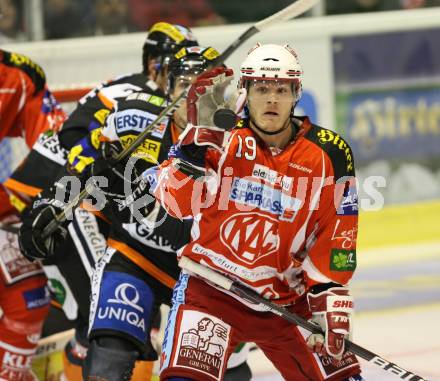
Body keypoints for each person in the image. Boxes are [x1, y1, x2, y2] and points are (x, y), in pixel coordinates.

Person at [19, 46, 252, 381]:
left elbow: (192, 230)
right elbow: (84, 160)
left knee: (222, 372)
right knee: (110, 357)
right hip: (136, 257)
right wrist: (52, 205)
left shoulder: (238, 147)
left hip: (203, 275)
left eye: (204, 90)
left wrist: (132, 197)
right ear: (167, 90)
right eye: (183, 85)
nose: (191, 98)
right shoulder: (134, 118)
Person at [147, 43, 364, 381]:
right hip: (211, 291)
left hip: (288, 300)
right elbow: (175, 204)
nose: (272, 99)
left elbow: (336, 231)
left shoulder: (329, 153)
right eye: (261, 88)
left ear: (297, 93)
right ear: (244, 92)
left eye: (281, 89)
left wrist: (328, 296)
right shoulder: (220, 137)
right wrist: (193, 146)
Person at [0, 49, 66, 381]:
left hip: (2, 213)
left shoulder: (18, 77)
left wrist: (28, 201)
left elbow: (55, 142)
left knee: (29, 296)